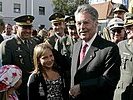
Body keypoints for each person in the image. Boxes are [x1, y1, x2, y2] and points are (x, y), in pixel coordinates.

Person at [69, 4, 121, 100]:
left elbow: (109, 80)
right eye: (78, 23)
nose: (82, 27)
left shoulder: (109, 49)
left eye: (86, 23)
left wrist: (81, 87)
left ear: (96, 24)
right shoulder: (76, 46)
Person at [0, 15, 38, 100]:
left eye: (29, 28)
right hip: (18, 90)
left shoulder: (34, 42)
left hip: (34, 86)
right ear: (17, 28)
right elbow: (5, 72)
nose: (28, 31)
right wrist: (12, 90)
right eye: (24, 28)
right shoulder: (8, 45)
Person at [113, 13, 133, 100]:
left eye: (131, 27)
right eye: (127, 28)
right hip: (122, 92)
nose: (128, 30)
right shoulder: (121, 45)